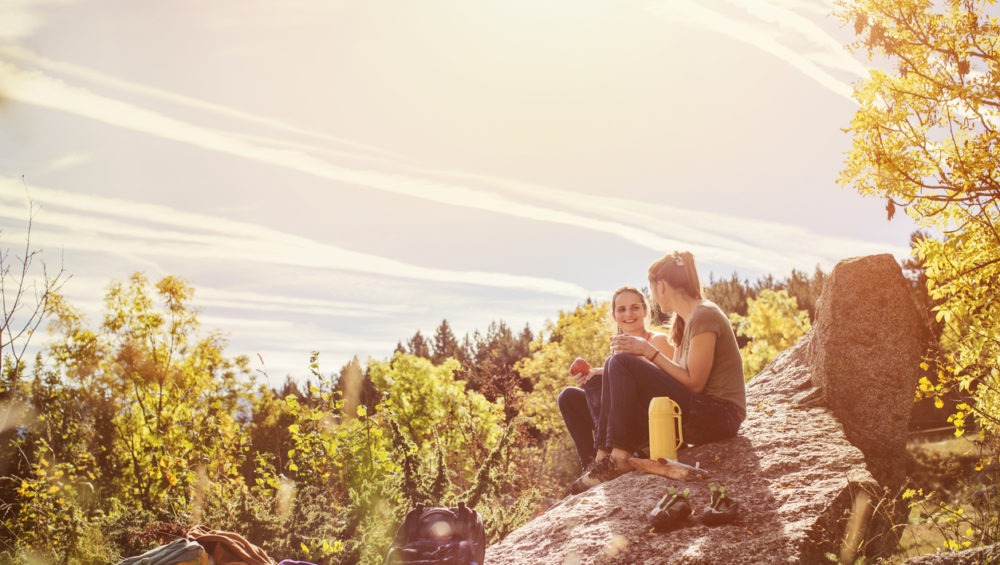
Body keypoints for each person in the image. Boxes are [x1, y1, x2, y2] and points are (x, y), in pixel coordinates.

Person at [573, 251, 746, 492]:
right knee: (615, 363)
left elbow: (694, 383)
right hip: (701, 413)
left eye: (651, 289)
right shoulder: (687, 322)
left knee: (620, 362)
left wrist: (648, 352)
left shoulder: (705, 314)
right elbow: (673, 378)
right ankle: (603, 458)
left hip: (720, 416)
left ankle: (619, 457)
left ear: (661, 286)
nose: (653, 296)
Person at [558, 286, 674, 472]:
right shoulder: (617, 347)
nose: (629, 314)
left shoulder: (658, 340)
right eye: (621, 309)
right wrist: (592, 378)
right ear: (614, 315)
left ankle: (603, 457)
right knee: (569, 397)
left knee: (598, 382)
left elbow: (662, 383)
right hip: (619, 422)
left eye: (635, 307)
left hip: (652, 419)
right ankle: (590, 466)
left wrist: (603, 374)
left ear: (645, 310)